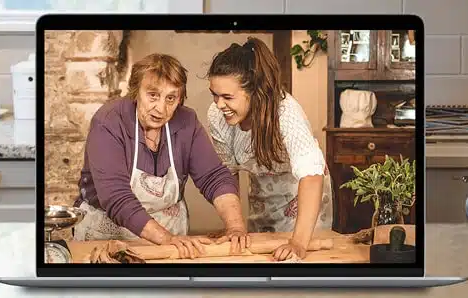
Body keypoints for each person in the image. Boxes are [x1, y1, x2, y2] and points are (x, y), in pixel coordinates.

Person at [73, 53, 250, 259]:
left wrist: (235, 226)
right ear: (135, 91)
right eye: (153, 95)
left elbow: (214, 177)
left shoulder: (187, 121)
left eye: (171, 98)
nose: (161, 108)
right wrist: (165, 238)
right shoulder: (109, 122)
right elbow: (116, 197)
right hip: (106, 237)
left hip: (171, 242)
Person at [206, 37, 334, 261]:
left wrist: (298, 243)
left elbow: (312, 176)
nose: (219, 104)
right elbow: (228, 174)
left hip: (303, 203)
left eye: (227, 97)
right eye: (214, 95)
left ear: (255, 92)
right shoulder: (217, 115)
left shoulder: (285, 113)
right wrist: (233, 225)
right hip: (262, 201)